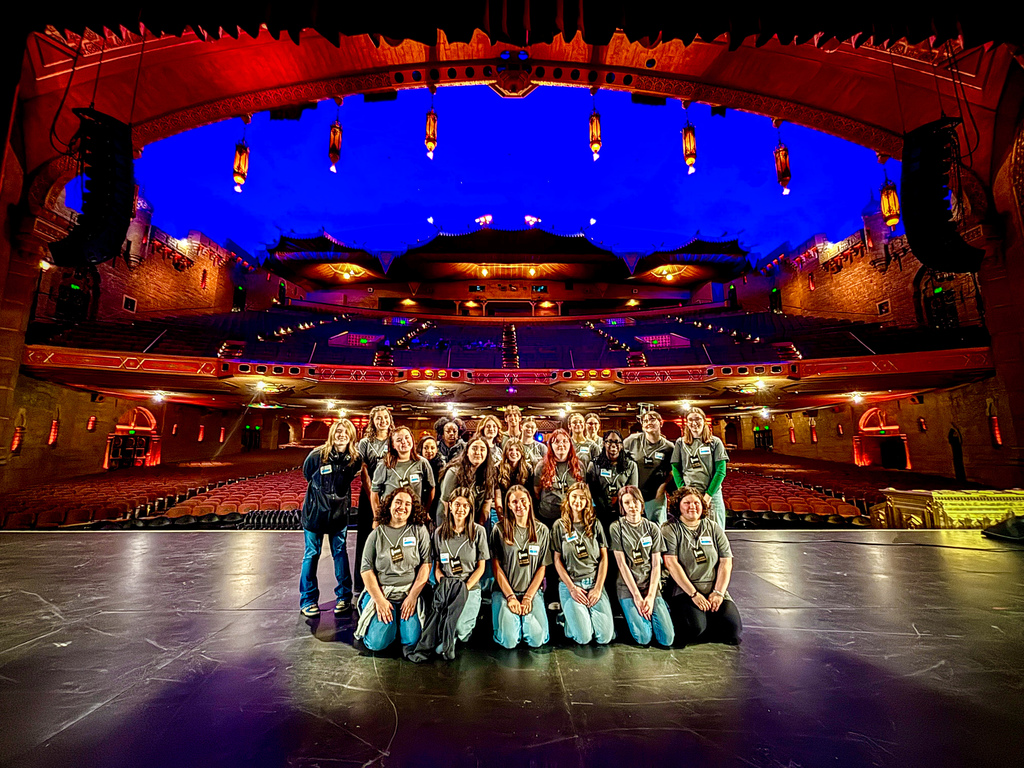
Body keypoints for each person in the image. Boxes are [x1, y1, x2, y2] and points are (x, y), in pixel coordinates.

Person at [355, 487, 432, 653]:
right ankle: (382, 620)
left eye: (407, 504)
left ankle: (398, 624)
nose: (402, 507)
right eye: (398, 502)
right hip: (383, 593)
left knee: (411, 639)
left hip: (408, 593)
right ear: (389, 505)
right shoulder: (376, 534)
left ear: (412, 509)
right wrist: (380, 601)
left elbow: (426, 565)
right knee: (376, 644)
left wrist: (412, 597)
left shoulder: (419, 530)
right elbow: (366, 570)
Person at [299, 418, 363, 617]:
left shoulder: (354, 458)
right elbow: (307, 474)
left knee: (340, 554)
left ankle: (344, 597)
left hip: (338, 515)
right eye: (338, 431)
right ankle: (308, 600)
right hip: (315, 513)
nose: (341, 435)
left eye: (346, 432)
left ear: (351, 436)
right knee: (311, 554)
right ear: (332, 434)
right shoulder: (317, 455)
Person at [662, 486, 742, 646]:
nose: (692, 506)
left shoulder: (713, 527)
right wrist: (694, 595)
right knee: (694, 629)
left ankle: (708, 616)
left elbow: (726, 562)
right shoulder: (669, 529)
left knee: (733, 630)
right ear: (678, 505)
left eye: (696, 502)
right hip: (685, 590)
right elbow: (671, 563)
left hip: (714, 588)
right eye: (687, 503)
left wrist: (718, 593)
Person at [550, 482, 615, 645]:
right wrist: (572, 588)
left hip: (594, 584)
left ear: (587, 501)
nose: (578, 501)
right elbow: (557, 560)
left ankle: (581, 615)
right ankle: (567, 619)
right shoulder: (559, 526)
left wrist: (598, 588)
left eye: (582, 498)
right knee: (584, 638)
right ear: (568, 499)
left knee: (604, 637)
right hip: (571, 585)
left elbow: (604, 558)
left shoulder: (595, 524)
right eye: (574, 497)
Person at [608, 486, 674, 647]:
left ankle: (657, 607)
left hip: (650, 586)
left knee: (667, 639)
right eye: (627, 502)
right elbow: (622, 565)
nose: (632, 506)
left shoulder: (652, 528)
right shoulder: (616, 528)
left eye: (635, 501)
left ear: (642, 503)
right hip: (628, 588)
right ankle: (636, 613)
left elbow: (656, 565)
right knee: (643, 638)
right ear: (622, 506)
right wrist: (637, 597)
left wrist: (650, 597)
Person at [490, 485, 551, 649]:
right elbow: (496, 567)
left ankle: (525, 621)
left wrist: (528, 597)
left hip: (531, 591)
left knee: (537, 639)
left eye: (523, 500)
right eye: (514, 502)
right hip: (505, 592)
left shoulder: (542, 530)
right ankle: (512, 622)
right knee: (509, 641)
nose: (519, 505)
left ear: (529, 502)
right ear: (508, 505)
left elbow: (542, 567)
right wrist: (510, 597)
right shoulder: (499, 529)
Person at [432, 487, 490, 648]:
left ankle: (457, 635)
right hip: (448, 586)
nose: (461, 509)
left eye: (466, 505)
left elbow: (481, 567)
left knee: (460, 629)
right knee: (436, 626)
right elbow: (437, 565)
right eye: (457, 504)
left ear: (470, 508)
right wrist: (444, 582)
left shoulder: (478, 532)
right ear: (450, 506)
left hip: (469, 587)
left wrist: (464, 588)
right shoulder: (438, 533)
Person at [670, 407, 729, 529]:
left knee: (715, 530)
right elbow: (675, 468)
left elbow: (721, 471)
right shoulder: (680, 443)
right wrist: (683, 490)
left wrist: (708, 495)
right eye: (690, 419)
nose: (694, 422)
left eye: (697, 419)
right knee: (690, 531)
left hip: (711, 495)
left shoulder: (715, 442)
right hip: (689, 494)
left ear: (704, 421)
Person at [355, 405, 393, 591]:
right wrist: (373, 499)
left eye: (385, 417)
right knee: (367, 537)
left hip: (391, 496)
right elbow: (364, 471)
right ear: (373, 421)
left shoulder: (394, 440)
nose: (382, 421)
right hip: (370, 494)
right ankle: (363, 583)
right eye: (378, 418)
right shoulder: (364, 443)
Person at [623, 409, 674, 525]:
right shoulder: (632, 441)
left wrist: (662, 488)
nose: (648, 423)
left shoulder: (669, 447)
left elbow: (671, 472)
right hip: (634, 495)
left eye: (652, 419)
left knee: (657, 527)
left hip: (655, 496)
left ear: (661, 423)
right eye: (645, 421)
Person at [371, 426, 435, 514]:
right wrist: (377, 517)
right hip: (390, 514)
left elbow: (431, 487)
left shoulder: (422, 463)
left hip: (414, 513)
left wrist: (426, 511)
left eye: (407, 437)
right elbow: (374, 492)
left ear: (412, 439)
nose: (404, 442)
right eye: (399, 440)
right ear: (393, 445)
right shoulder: (384, 464)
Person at [437, 436, 496, 526]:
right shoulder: (454, 472)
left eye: (482, 449)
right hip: (450, 517)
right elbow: (446, 502)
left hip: (474, 517)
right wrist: (456, 527)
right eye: (474, 448)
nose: (478, 452)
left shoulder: (489, 472)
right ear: (467, 452)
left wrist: (479, 526)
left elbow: (487, 502)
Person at [586, 430, 639, 532]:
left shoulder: (631, 465)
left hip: (623, 510)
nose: (613, 445)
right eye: (609, 441)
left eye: (617, 442)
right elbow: (592, 491)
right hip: (600, 510)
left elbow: (632, 491)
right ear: (603, 443)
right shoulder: (594, 465)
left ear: (622, 445)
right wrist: (603, 506)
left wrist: (620, 504)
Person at [533, 429, 586, 523]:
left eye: (565, 441)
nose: (561, 445)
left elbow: (583, 490)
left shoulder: (579, 465)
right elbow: (537, 492)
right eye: (556, 442)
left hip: (571, 515)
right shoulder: (541, 465)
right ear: (551, 446)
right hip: (548, 515)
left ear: (570, 444)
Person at [495, 439, 532, 517]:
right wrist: (501, 515)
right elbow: (497, 496)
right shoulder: (497, 468)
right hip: (504, 505)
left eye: (517, 450)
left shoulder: (528, 468)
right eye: (510, 449)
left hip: (521, 507)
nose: (514, 452)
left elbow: (530, 495)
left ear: (522, 452)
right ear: (506, 452)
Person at [418, 435, 444, 522]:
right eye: (426, 448)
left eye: (432, 448)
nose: (429, 451)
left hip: (436, 502)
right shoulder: (416, 463)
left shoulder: (441, 465)